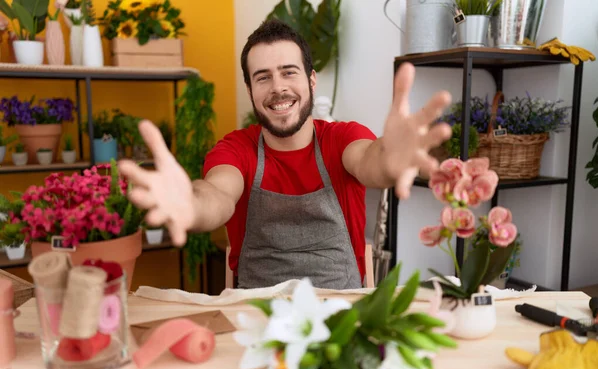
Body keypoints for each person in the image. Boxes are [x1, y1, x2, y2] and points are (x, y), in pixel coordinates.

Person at [118, 19, 452, 290]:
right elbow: (217, 193)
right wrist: (192, 204)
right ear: (250, 90)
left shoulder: (342, 138)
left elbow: (369, 161)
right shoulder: (236, 149)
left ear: (311, 81)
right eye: (263, 77)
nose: (278, 87)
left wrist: (388, 160)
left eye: (288, 72)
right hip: (255, 316)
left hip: (341, 311)